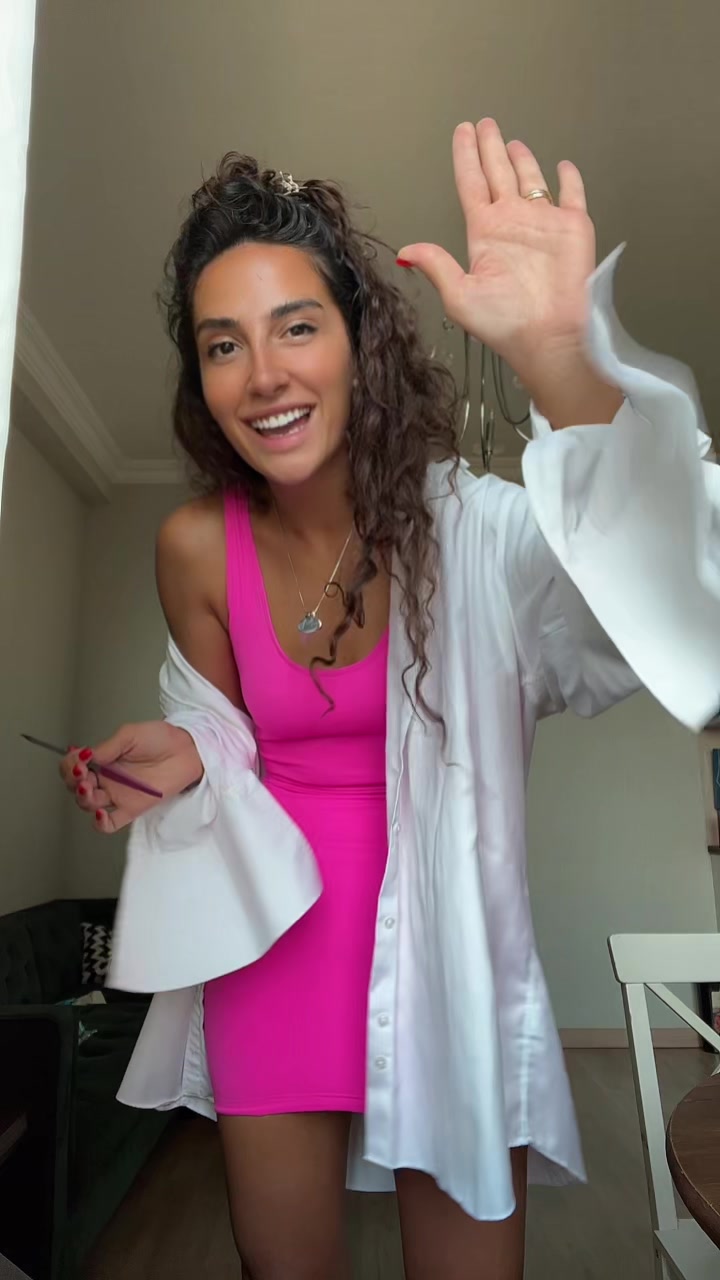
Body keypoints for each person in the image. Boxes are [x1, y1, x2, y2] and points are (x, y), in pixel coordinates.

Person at [61, 118, 720, 1280]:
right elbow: (222, 727)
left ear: (360, 343)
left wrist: (560, 358)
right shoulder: (193, 546)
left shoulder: (479, 532)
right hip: (271, 950)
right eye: (223, 344)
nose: (263, 373)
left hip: (449, 954)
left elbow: (677, 596)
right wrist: (179, 750)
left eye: (296, 325)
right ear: (200, 377)